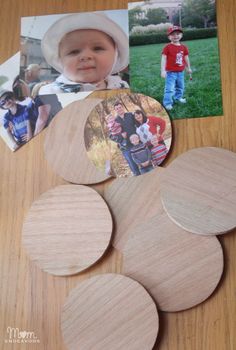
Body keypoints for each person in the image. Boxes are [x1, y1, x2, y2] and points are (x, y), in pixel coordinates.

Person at [38, 12, 129, 94]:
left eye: (97, 48)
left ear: (115, 54)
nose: (85, 56)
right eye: (73, 52)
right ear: (60, 59)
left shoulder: (121, 86)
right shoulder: (50, 92)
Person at [161, 26, 192, 110]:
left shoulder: (183, 47)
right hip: (170, 72)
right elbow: (163, 58)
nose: (175, 36)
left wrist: (188, 68)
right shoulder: (167, 47)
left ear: (181, 35)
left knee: (180, 86)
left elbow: (186, 58)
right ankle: (167, 103)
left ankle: (178, 98)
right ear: (169, 37)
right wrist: (163, 70)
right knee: (170, 88)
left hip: (180, 72)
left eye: (178, 34)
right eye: (173, 34)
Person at [114, 101, 140, 176]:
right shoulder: (114, 122)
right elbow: (112, 136)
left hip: (136, 142)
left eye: (120, 107)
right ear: (115, 110)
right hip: (125, 146)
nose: (119, 109)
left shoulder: (130, 115)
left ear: (122, 107)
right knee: (133, 166)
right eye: (117, 108)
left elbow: (138, 123)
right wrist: (121, 136)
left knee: (143, 161)